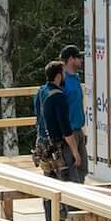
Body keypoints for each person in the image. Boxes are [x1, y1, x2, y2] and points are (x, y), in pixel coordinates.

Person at [54, 46, 88, 181]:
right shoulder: (62, 81)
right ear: (71, 59)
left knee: (82, 170)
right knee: (72, 172)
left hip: (78, 130)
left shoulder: (75, 78)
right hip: (68, 133)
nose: (81, 60)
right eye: (79, 57)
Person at [30, 60, 68, 175]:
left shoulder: (41, 91)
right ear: (58, 76)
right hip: (55, 144)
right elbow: (64, 123)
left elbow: (38, 115)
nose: (65, 76)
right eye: (64, 73)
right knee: (63, 178)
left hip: (42, 142)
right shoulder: (58, 95)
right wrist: (75, 150)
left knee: (48, 176)